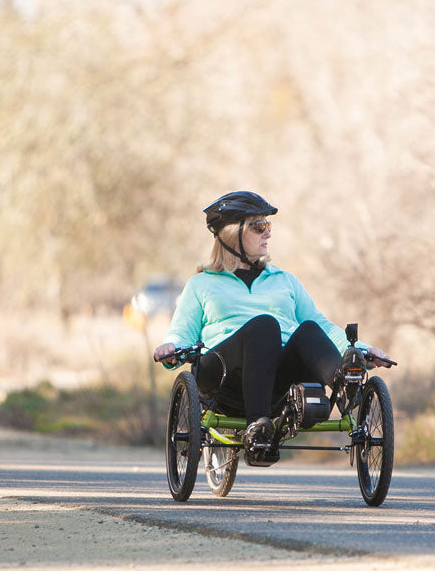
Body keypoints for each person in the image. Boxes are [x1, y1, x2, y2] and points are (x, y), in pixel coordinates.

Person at [153, 191, 392, 465]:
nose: (267, 234)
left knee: (309, 329)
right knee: (265, 325)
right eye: (259, 227)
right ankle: (258, 428)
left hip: (275, 384)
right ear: (232, 234)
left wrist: (359, 350)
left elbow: (323, 325)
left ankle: (343, 380)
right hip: (222, 378)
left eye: (269, 226)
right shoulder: (202, 284)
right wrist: (171, 347)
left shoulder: (285, 280)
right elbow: (183, 331)